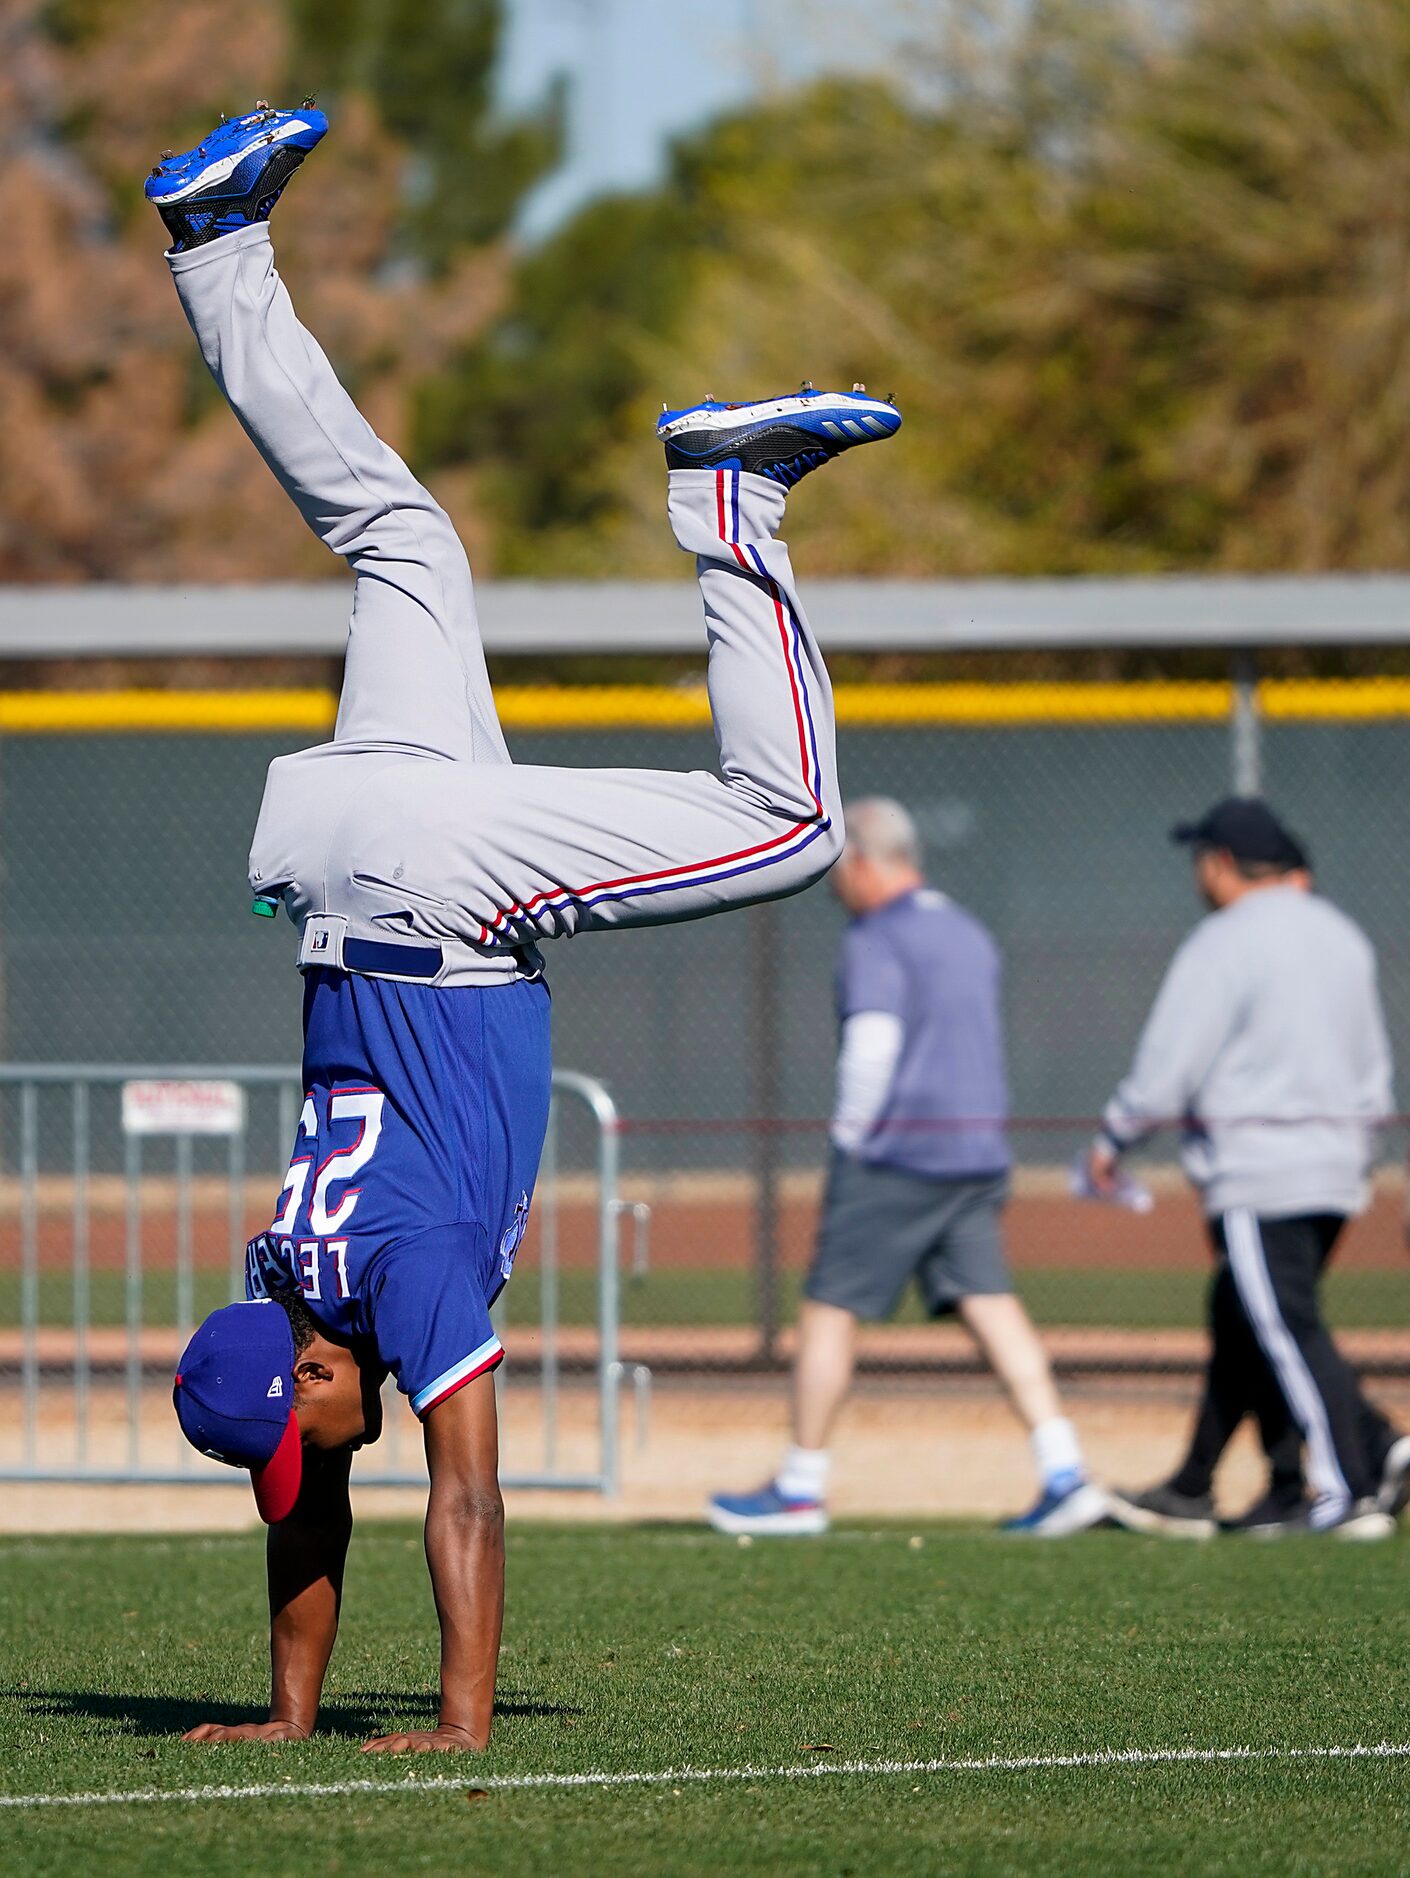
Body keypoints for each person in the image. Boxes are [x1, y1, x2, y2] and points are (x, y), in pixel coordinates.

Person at [150, 103, 902, 1754]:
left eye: (307, 1428)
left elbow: (469, 1499)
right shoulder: (280, 1273)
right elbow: (307, 1508)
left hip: (439, 896)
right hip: (334, 855)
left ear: (304, 1366)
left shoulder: (401, 1280)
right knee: (405, 540)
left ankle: (730, 508)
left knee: (788, 823)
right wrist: (285, 1719)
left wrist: (461, 1721)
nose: (321, 1456)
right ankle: (219, 255)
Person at [709, 797, 1108, 1538]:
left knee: (831, 1305)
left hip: (898, 1153)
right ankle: (1065, 1471)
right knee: (991, 1302)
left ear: (863, 858)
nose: (833, 883)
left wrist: (850, 1140)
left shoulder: (876, 938)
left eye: (837, 865)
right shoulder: (966, 930)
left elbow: (872, 1045)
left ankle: (801, 1486)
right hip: (975, 1152)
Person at [1092, 797, 1408, 1539]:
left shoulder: (1224, 940)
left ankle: (1345, 1493)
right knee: (1246, 1316)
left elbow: (1170, 1064)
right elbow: (1374, 1070)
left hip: (1261, 1174)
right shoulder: (1343, 935)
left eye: (1201, 859)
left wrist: (1115, 1138)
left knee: (1283, 1326)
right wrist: (1359, 1156)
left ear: (1223, 863)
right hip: (1334, 1169)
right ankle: (1228, 1482)